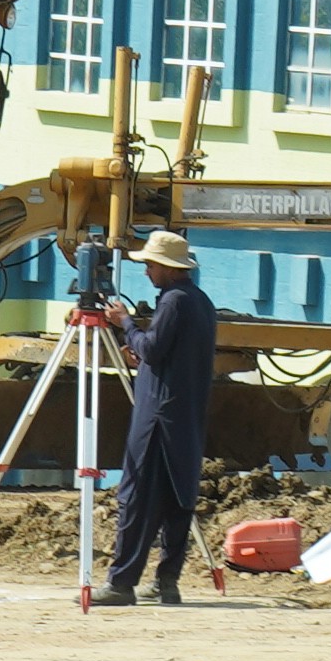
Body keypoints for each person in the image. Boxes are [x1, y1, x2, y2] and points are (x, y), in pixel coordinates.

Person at [95, 230, 220, 608]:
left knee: (136, 497)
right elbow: (165, 354)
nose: (147, 272)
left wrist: (127, 325)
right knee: (177, 499)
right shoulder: (201, 302)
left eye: (150, 265)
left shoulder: (174, 302)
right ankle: (167, 581)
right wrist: (142, 351)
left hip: (158, 417)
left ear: (168, 268)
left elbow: (151, 345)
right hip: (186, 415)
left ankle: (121, 582)